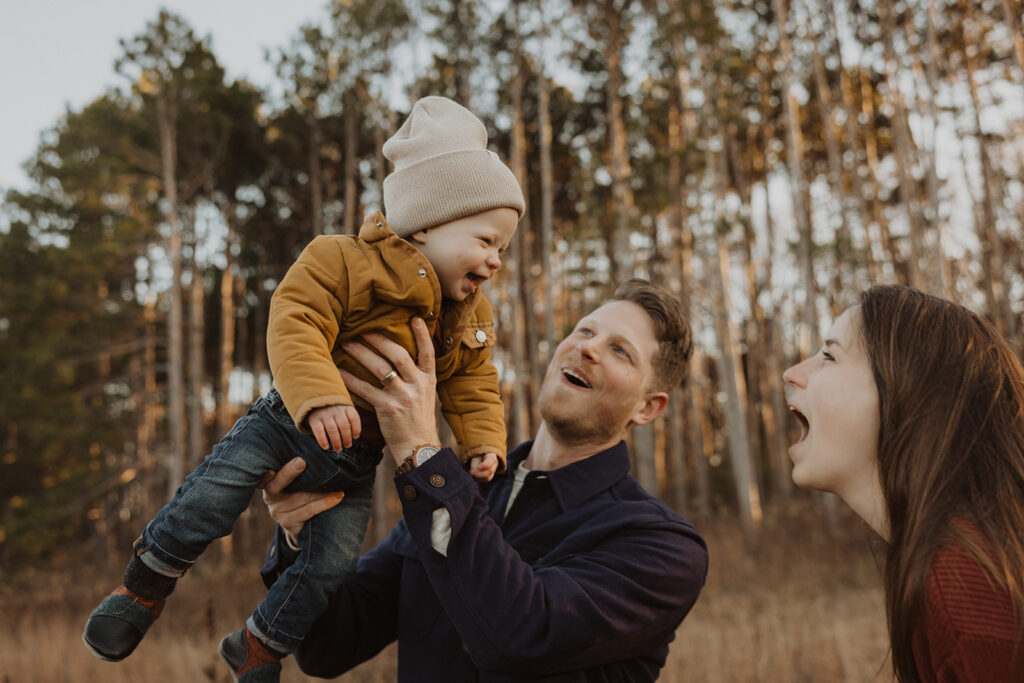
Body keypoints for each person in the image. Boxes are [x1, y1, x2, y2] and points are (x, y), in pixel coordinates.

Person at [82, 96, 526, 683]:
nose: (496, 261)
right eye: (487, 240)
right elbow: (295, 319)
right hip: (285, 423)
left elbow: (473, 382)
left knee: (330, 565)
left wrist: (482, 443)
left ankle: (260, 647)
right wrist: (322, 397)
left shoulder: (469, 315)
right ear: (427, 221)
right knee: (211, 499)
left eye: (504, 249)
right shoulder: (342, 259)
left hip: (356, 459)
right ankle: (142, 588)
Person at [258, 278, 708, 681]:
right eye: (585, 331)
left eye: (620, 351)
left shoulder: (662, 546)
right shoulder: (465, 488)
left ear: (648, 408)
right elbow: (328, 646)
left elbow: (520, 635)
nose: (587, 347)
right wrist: (305, 538)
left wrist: (421, 451)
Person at [783, 284, 1024, 681]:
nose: (791, 373)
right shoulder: (961, 562)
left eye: (829, 356)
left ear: (910, 392)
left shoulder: (968, 586)